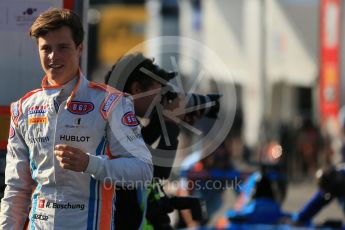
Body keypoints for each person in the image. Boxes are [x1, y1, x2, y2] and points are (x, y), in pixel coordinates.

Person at [0, 8, 152, 229]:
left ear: (80, 49)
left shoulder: (110, 102)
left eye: (63, 47)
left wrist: (91, 164)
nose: (53, 56)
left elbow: (143, 170)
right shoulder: (24, 108)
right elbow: (16, 188)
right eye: (46, 49)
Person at [105, 53, 202, 229]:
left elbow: (142, 144)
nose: (160, 99)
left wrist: (162, 119)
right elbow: (156, 170)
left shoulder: (113, 115)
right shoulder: (113, 124)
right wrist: (170, 124)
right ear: (136, 89)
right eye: (158, 92)